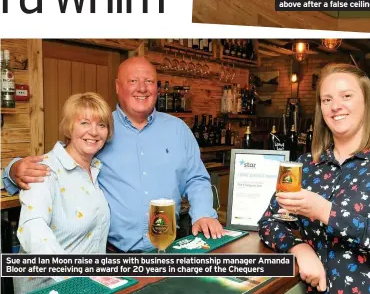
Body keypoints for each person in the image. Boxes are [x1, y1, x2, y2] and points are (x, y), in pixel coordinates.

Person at [4, 57, 223, 253]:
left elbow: (196, 178)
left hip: (167, 248)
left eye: (149, 81)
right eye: (133, 81)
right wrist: (13, 170)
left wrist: (203, 213)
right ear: (118, 87)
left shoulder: (178, 129)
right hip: (113, 255)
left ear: (157, 88)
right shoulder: (101, 129)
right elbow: (64, 158)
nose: (142, 88)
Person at [259, 63, 370, 294]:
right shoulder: (308, 164)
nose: (335, 106)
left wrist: (325, 211)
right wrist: (299, 248)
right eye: (326, 100)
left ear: (367, 102)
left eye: (346, 96)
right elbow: (269, 222)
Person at [14, 92, 113, 294]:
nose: (94, 132)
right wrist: (74, 276)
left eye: (101, 125)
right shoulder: (43, 169)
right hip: (50, 287)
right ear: (69, 127)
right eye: (84, 123)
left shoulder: (95, 169)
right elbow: (32, 228)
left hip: (90, 284)